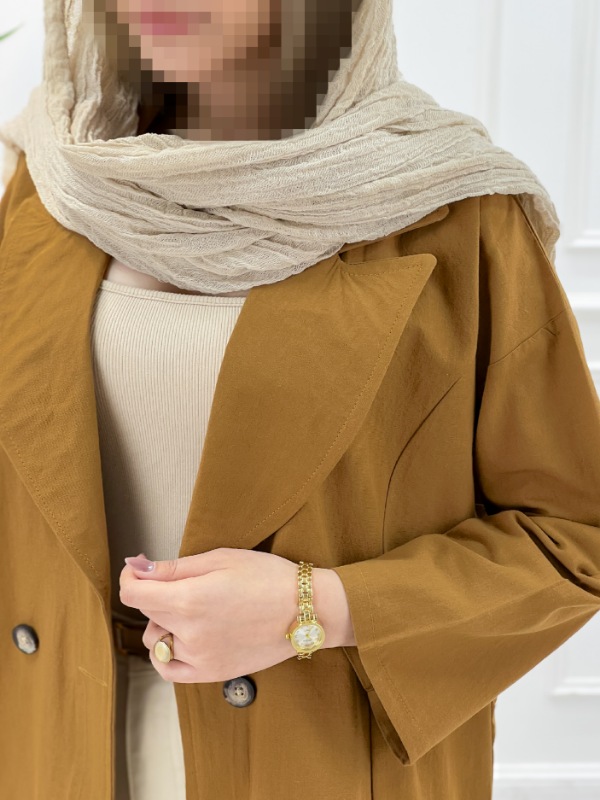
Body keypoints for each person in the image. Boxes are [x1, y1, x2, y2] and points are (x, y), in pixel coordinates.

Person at [0, 0, 599, 798]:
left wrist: (318, 608)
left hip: (323, 763)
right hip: (52, 749)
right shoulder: (54, 176)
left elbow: (574, 538)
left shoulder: (453, 210)